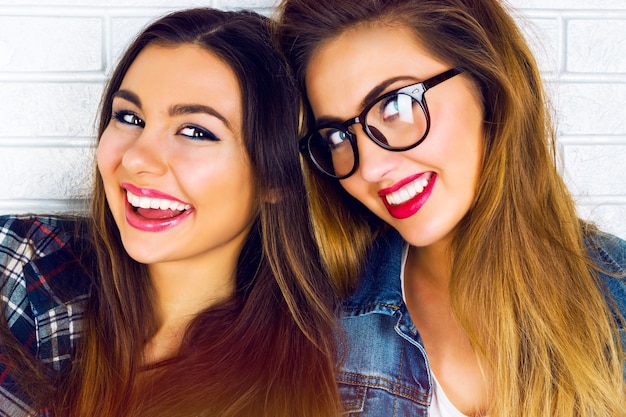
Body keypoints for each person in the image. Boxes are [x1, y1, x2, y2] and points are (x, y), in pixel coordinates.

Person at [276, 0, 626, 416]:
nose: (369, 167)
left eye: (395, 106)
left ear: (487, 84)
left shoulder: (616, 297)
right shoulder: (319, 325)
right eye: (336, 136)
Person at [0, 7, 342, 417]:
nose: (138, 158)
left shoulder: (304, 384)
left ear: (276, 179)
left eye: (196, 131)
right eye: (129, 117)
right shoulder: (20, 261)